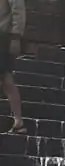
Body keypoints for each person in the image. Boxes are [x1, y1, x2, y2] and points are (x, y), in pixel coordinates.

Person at [1, 0, 24, 135]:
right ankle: (18, 121)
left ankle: (18, 120)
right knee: (6, 80)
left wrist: (16, 36)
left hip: (3, 37)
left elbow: (18, 11)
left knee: (6, 78)